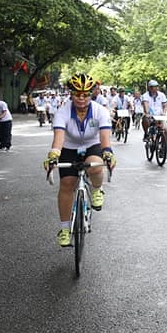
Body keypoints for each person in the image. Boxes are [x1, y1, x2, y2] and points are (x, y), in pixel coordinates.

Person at [43, 73, 115, 247]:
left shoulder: (100, 111)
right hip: (69, 147)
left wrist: (108, 153)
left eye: (85, 94)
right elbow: (58, 138)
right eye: (77, 94)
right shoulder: (63, 111)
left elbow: (105, 138)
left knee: (96, 167)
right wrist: (53, 156)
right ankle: (65, 229)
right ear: (71, 94)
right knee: (67, 184)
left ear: (91, 94)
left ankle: (97, 189)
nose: (81, 98)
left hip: (92, 145)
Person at [141, 79, 167, 147]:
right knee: (145, 119)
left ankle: (163, 146)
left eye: (156, 86)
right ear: (149, 88)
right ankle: (146, 133)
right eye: (153, 87)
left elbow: (165, 105)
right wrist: (147, 113)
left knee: (166, 130)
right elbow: (146, 104)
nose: (155, 88)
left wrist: (164, 112)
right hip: (150, 115)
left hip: (160, 116)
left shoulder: (161, 95)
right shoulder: (145, 95)